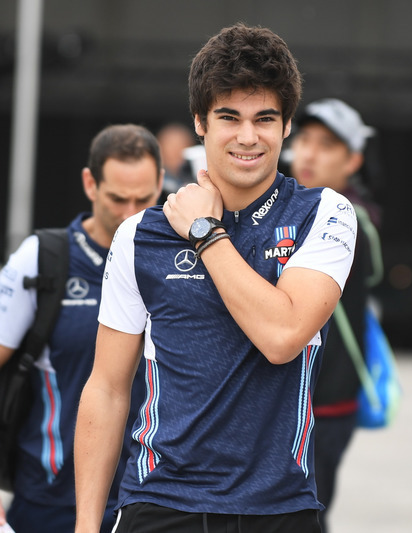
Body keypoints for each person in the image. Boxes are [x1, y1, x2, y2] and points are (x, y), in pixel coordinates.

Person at [74, 24, 356, 533]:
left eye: (264, 118)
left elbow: (282, 337)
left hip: (281, 508)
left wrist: (206, 233)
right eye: (229, 117)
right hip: (158, 503)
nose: (248, 137)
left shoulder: (326, 213)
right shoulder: (142, 234)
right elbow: (108, 388)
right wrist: (86, 526)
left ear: (286, 125)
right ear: (200, 122)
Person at [0, 124, 164, 533]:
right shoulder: (41, 259)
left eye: (143, 199)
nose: (130, 213)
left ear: (161, 182)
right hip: (50, 500)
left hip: (153, 498)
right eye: (117, 199)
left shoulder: (179, 260)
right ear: (90, 184)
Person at [289, 97, 380, 533]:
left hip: (325, 398)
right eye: (303, 139)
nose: (308, 153)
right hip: (289, 395)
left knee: (307, 512)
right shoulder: (286, 207)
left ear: (353, 160)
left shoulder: (351, 218)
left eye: (326, 144)